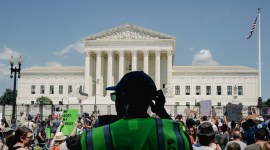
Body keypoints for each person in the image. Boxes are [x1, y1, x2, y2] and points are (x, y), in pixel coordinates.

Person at [81, 71, 192, 149]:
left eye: (116, 97)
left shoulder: (94, 138)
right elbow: (182, 137)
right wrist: (161, 111)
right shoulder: (176, 137)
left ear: (123, 100)